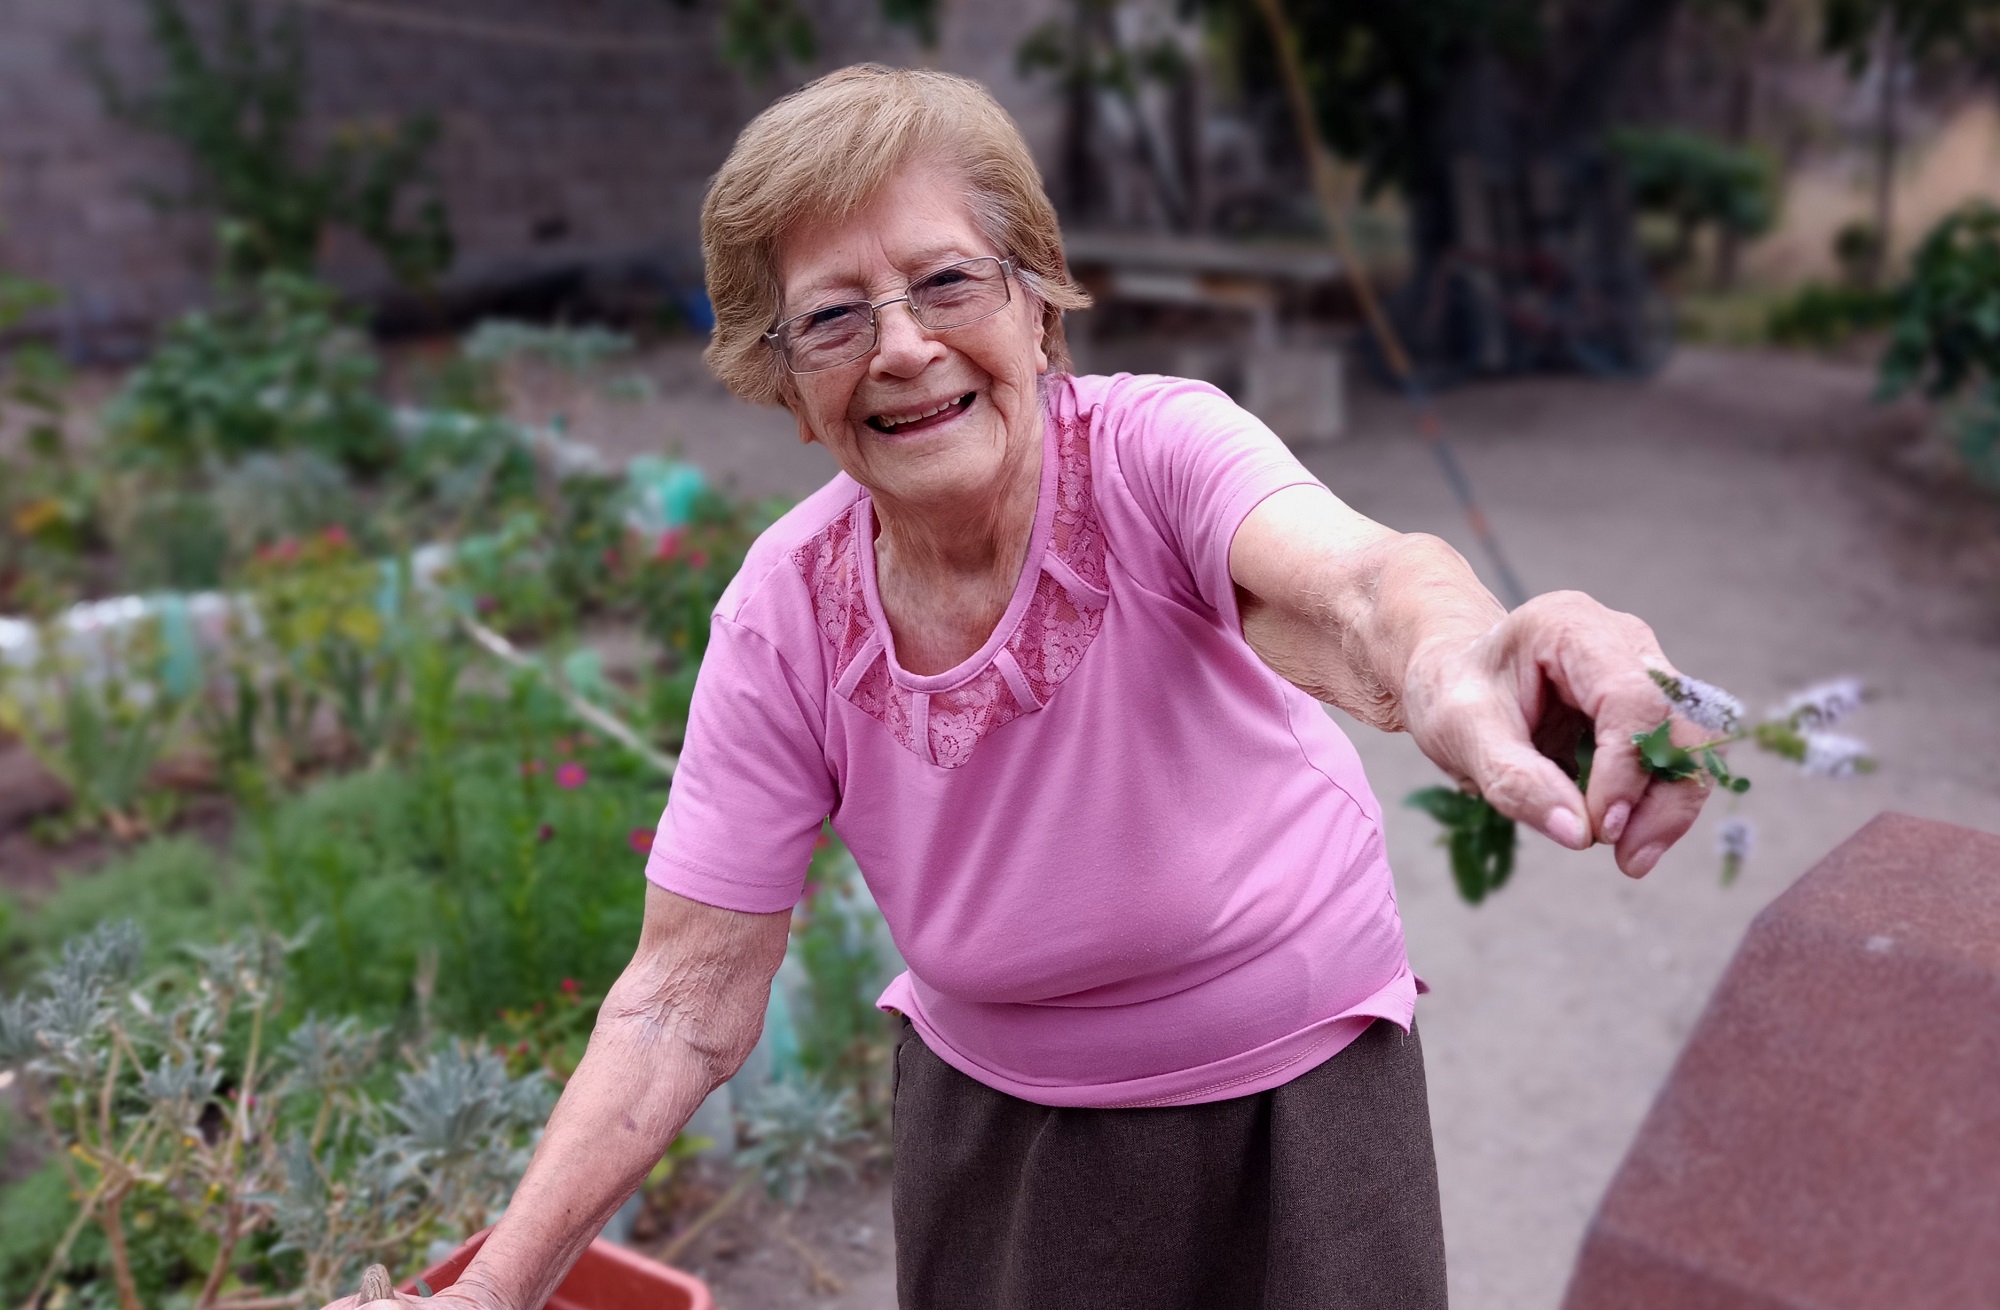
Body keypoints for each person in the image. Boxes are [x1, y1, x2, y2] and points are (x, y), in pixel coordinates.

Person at [335, 64, 1710, 1310]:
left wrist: (1462, 654)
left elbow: (1356, 588)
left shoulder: (1153, 456)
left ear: (1037, 303)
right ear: (788, 387)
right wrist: (492, 1288)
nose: (903, 348)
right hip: (1000, 1120)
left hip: (1290, 1097)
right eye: (831, 319)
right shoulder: (783, 611)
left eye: (947, 282)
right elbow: (680, 996)